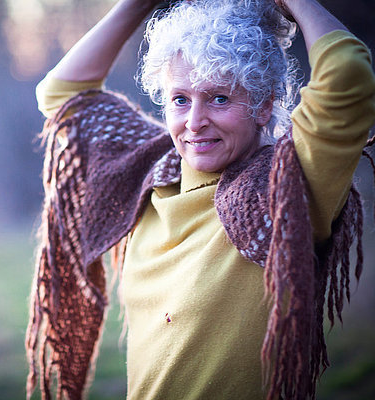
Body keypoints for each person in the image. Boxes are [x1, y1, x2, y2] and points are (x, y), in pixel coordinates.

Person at [26, 0, 375, 399]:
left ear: (263, 104)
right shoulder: (146, 171)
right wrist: (137, 6)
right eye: (180, 99)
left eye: (219, 98)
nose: (194, 122)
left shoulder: (289, 187)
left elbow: (347, 75)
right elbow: (61, 95)